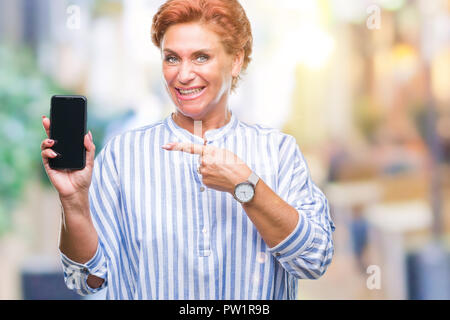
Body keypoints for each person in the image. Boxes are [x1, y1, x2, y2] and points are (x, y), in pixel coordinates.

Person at [40, 0, 335, 300]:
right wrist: (74, 201)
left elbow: (314, 260)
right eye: (171, 58)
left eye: (201, 57)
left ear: (235, 60)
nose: (183, 75)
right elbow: (85, 280)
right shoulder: (122, 155)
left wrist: (247, 186)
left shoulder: (278, 151)